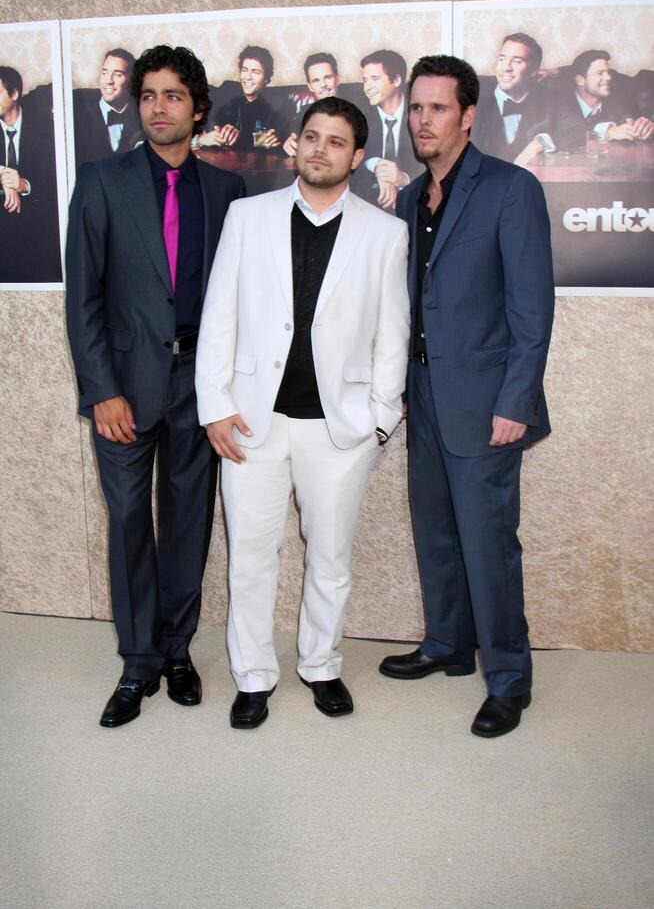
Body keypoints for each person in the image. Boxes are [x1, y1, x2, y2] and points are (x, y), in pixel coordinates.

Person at [195, 96, 410, 729]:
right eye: (310, 137)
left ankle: (321, 665)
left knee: (331, 558)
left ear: (358, 155)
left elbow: (393, 334)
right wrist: (214, 407)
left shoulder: (384, 232)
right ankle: (254, 677)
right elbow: (220, 315)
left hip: (340, 428)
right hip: (251, 422)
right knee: (252, 555)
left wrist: (379, 420)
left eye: (335, 141)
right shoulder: (248, 216)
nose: (319, 149)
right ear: (296, 143)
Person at [65, 45, 245, 728]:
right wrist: (101, 390)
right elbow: (83, 299)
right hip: (125, 388)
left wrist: (228, 391)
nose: (159, 107)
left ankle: (177, 651)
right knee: (129, 522)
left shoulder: (226, 190)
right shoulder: (102, 181)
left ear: (197, 109)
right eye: (148, 95)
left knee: (189, 523)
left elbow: (237, 300)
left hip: (199, 384)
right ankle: (138, 664)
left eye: (173, 95)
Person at [379, 55, 554, 738]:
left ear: (469, 115)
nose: (423, 120)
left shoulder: (510, 190)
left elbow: (532, 311)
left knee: (487, 543)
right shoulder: (407, 199)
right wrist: (397, 387)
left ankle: (509, 677)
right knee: (436, 532)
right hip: (421, 399)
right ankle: (448, 643)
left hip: (487, 404)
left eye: (438, 108)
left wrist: (516, 401)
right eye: (416, 109)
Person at [0, 65, 60, 283]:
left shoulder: (43, 128)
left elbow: (53, 179)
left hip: (37, 228)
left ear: (14, 94)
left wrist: (23, 185)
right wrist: (6, 178)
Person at [471, 32, 553, 167]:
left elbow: (572, 130)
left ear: (533, 70)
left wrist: (538, 143)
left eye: (516, 61)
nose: (506, 68)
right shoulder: (472, 97)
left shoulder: (548, 100)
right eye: (502, 59)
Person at [550, 50, 654, 153]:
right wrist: (609, 132)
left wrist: (644, 127)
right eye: (600, 73)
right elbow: (565, 136)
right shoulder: (561, 101)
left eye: (607, 72)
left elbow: (645, 80)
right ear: (580, 80)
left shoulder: (620, 98)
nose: (608, 77)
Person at [357, 50, 419, 209]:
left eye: (375, 79)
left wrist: (403, 179)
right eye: (365, 80)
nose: (367, 88)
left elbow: (434, 161)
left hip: (415, 197)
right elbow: (354, 154)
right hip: (371, 200)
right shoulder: (359, 113)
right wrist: (379, 167)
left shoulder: (420, 113)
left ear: (397, 80)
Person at [198, 45, 286, 151]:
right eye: (244, 70)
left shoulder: (278, 103)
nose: (248, 77)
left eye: (255, 72)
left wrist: (273, 140)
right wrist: (201, 139)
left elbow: (276, 137)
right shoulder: (224, 92)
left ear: (267, 79)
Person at [73, 48, 142, 168]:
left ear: (131, 81)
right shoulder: (77, 103)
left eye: (117, 75)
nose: (108, 81)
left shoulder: (143, 112)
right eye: (104, 73)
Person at [283, 52, 341, 157]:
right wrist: (288, 143)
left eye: (327, 77)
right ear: (310, 86)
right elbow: (292, 137)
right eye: (316, 80)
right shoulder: (305, 112)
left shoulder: (357, 109)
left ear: (337, 79)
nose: (323, 84)